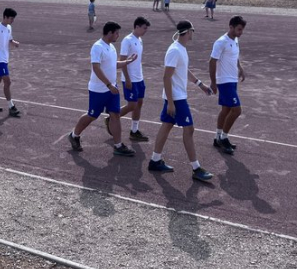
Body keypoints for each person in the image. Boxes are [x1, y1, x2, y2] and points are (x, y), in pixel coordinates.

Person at [148, 20, 214, 181]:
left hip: (176, 97)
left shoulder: (181, 49)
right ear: (188, 32)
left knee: (167, 125)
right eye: (192, 31)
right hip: (176, 98)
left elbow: (183, 70)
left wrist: (200, 85)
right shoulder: (175, 51)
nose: (193, 34)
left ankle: (155, 160)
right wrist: (170, 102)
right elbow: (166, 77)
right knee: (189, 129)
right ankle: (196, 168)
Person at [67, 21, 138, 157]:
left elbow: (112, 64)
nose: (118, 36)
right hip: (99, 90)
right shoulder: (97, 47)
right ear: (110, 33)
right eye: (117, 33)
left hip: (112, 89)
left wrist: (127, 62)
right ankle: (74, 135)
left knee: (115, 115)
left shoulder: (111, 47)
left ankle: (118, 145)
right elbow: (96, 68)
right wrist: (108, 85)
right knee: (92, 115)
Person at [105, 16, 150, 141]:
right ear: (137, 26)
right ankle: (112, 117)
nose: (146, 30)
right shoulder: (127, 40)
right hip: (130, 79)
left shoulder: (139, 40)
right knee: (132, 105)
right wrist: (128, 79)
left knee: (139, 103)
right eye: (144, 28)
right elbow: (122, 60)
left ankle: (134, 131)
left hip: (139, 78)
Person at [209, 15, 247, 155]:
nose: (240, 32)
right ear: (231, 27)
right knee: (236, 110)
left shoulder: (235, 40)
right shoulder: (221, 42)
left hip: (232, 80)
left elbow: (235, 56)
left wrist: (240, 68)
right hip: (224, 82)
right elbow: (212, 62)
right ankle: (224, 138)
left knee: (226, 110)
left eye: (242, 30)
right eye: (238, 29)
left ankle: (217, 137)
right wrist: (213, 82)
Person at [0, 8, 22, 117]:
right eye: (11, 18)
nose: (12, 21)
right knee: (7, 81)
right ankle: (11, 107)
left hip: (5, 59)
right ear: (5, 17)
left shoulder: (9, 27)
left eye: (13, 19)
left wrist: (14, 42)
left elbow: (9, 39)